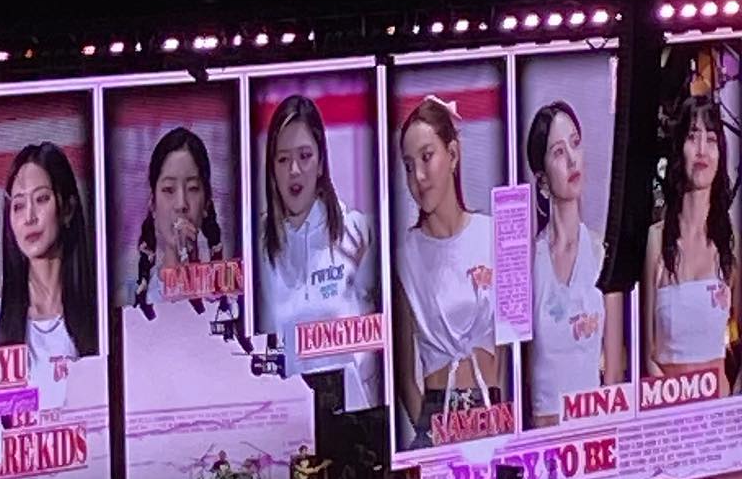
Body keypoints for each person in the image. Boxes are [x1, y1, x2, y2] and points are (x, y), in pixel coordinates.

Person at [258, 93, 381, 408]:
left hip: (354, 414)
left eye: (305, 156)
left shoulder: (358, 232)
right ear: (271, 168)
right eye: (282, 159)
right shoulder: (256, 245)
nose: (294, 170)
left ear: (321, 162)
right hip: (283, 416)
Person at [394, 95, 502, 448]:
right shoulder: (404, 256)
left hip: (495, 412)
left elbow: (516, 345)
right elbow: (403, 374)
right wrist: (428, 433)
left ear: (453, 155)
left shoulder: (493, 235)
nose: (418, 177)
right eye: (408, 165)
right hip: (438, 419)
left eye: (427, 157)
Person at [0, 140, 98, 409]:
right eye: (18, 205)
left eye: (42, 199)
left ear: (68, 209)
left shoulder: (100, 319)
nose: (29, 217)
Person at [525, 101, 625, 425]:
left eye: (575, 143)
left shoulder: (603, 254)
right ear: (542, 179)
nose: (571, 158)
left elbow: (614, 373)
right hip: (543, 438)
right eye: (558, 151)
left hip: (595, 435)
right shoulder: (528, 263)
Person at [643, 93, 737, 398]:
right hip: (669, 410)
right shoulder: (656, 241)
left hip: (719, 413)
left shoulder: (731, 244)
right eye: (692, 136)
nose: (701, 149)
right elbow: (648, 352)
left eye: (711, 139)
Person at [132, 127, 226, 317]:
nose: (181, 204)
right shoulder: (131, 297)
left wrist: (193, 266)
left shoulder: (228, 296)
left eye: (192, 188)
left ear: (206, 204)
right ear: (153, 204)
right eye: (169, 189)